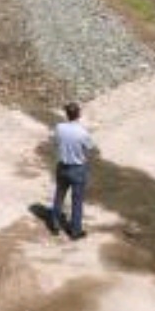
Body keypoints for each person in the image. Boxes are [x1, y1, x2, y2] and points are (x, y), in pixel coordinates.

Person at [48, 102, 96, 240]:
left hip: (62, 166)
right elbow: (90, 148)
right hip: (77, 169)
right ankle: (75, 232)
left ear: (66, 114)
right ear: (79, 114)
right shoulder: (82, 132)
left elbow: (56, 141)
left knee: (59, 196)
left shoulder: (59, 127)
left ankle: (55, 225)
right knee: (77, 201)